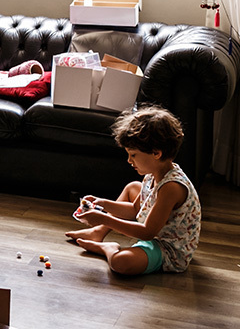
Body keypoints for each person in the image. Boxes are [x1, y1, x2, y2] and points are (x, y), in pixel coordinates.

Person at [66, 106, 201, 274]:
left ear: (156, 153)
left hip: (167, 248)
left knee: (120, 262)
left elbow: (147, 232)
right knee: (132, 188)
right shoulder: (153, 174)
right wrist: (103, 204)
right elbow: (136, 210)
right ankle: (98, 232)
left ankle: (108, 248)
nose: (129, 160)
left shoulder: (171, 188)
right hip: (155, 236)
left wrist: (105, 219)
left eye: (133, 155)